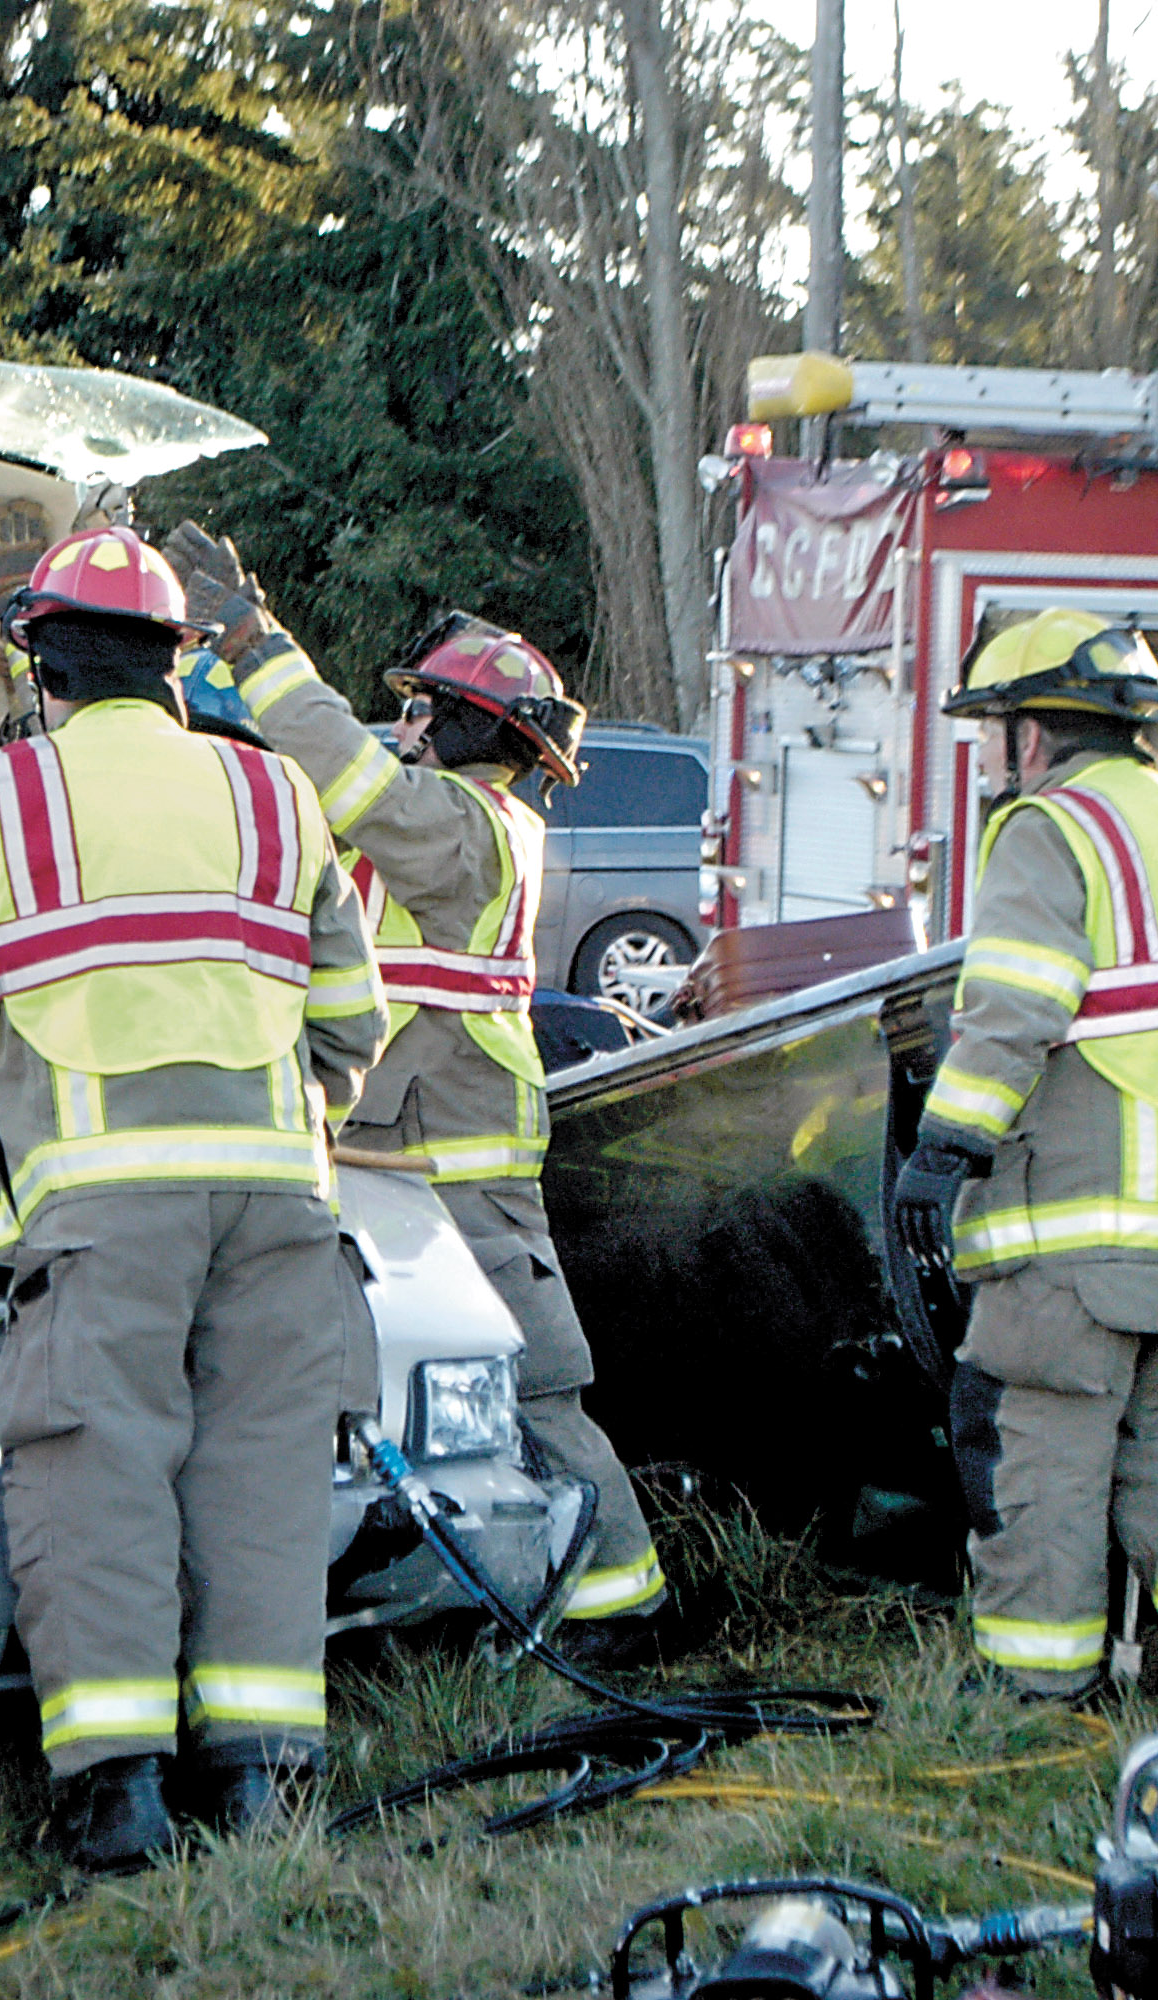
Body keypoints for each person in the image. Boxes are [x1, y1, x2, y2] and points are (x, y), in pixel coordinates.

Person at [0, 524, 383, 1873]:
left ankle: (119, 1795)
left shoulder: (0, 799)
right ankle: (262, 1784)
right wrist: (288, 1122)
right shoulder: (274, 796)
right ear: (175, 665)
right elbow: (355, 1019)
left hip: (100, 1208)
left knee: (100, 1466)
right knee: (260, 1472)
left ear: (42, 666)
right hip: (276, 1198)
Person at [169, 524, 674, 1667]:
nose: (408, 725)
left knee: (531, 1388)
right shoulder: (448, 820)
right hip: (405, 1159)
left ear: (477, 729)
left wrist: (256, 642)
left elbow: (346, 777)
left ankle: (623, 1605)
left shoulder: (460, 825)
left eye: (429, 712)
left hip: (460, 1171)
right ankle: (468, 1598)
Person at [891, 609, 1158, 1718]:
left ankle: (1034, 1682)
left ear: (1032, 735)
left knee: (1044, 1434)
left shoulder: (1046, 828)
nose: (990, 753)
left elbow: (1013, 1006)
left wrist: (944, 1144)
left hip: (1080, 1212)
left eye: (995, 729)